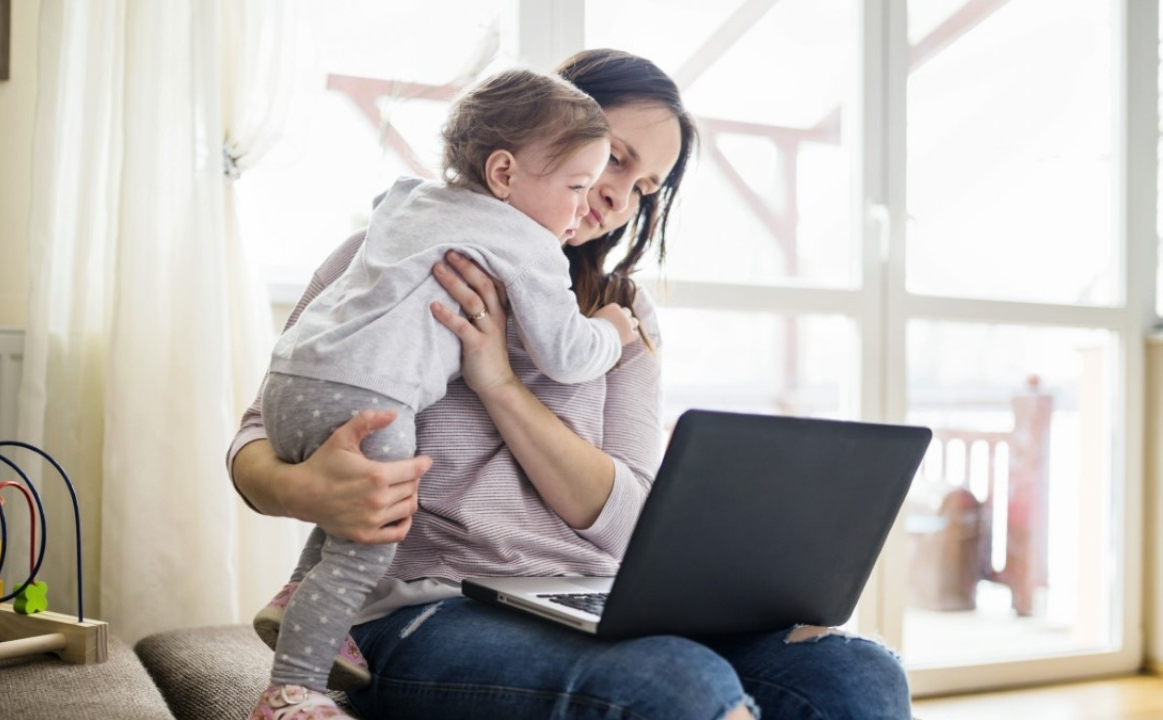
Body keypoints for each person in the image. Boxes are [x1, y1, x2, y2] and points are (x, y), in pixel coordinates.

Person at [231, 49, 914, 720]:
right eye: (615, 159)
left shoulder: (620, 319)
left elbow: (624, 522)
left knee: (857, 670)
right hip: (422, 609)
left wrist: (498, 382)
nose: (618, 195)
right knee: (675, 684)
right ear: (541, 140)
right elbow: (258, 434)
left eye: (646, 187)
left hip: (590, 597)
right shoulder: (390, 254)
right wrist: (302, 489)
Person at [249, 67, 641, 719]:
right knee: (370, 541)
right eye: (580, 183)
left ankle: (298, 593)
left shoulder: (408, 198)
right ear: (506, 174)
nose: (594, 201)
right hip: (368, 399)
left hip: (292, 386)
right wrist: (611, 331)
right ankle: (293, 688)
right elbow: (568, 354)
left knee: (347, 526)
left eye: (643, 187)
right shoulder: (529, 245)